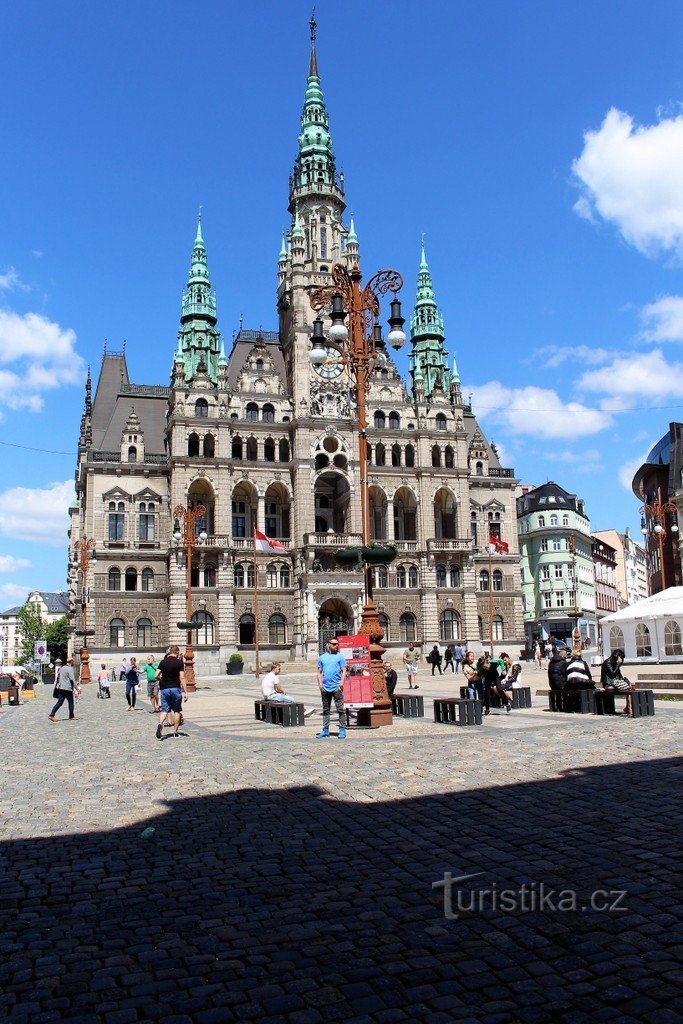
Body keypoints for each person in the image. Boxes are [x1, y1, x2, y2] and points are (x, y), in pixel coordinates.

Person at [316, 637, 348, 739]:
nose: (336, 645)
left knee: (340, 709)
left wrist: (341, 683)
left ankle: (342, 729)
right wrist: (320, 685)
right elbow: (319, 672)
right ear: (328, 644)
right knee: (326, 710)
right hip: (325, 687)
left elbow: (344, 670)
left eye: (337, 644)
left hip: (336, 687)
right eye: (334, 644)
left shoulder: (340, 657)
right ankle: (325, 730)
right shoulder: (322, 657)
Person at [155, 644, 188, 739]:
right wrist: (185, 692)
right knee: (177, 710)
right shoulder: (179, 663)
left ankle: (160, 723)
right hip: (175, 688)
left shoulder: (163, 662)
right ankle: (175, 732)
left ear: (170, 652)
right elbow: (182, 677)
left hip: (165, 689)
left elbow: (155, 675)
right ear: (177, 652)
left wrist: (161, 679)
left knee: (165, 709)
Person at [600, 648, 635, 715]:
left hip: (615, 683)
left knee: (629, 686)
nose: (622, 660)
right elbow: (612, 674)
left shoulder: (615, 663)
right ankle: (628, 707)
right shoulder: (608, 662)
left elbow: (619, 675)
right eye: (621, 658)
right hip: (608, 684)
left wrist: (624, 680)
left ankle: (628, 706)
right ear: (617, 656)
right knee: (628, 687)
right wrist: (618, 664)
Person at [49, 657, 77, 722]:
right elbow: (72, 679)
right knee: (71, 702)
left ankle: (52, 715)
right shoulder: (70, 669)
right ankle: (71, 715)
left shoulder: (62, 668)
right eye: (73, 661)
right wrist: (77, 688)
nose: (73, 662)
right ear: (71, 661)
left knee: (60, 702)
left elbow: (58, 677)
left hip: (61, 687)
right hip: (67, 688)